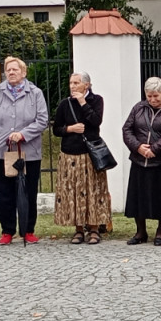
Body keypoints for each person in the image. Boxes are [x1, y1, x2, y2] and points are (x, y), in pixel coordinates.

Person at [0, 56, 49, 245]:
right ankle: (7, 231)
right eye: (8, 70)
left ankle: (28, 230)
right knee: (4, 192)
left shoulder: (35, 93)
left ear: (23, 72)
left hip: (28, 152)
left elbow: (42, 120)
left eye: (15, 69)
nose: (10, 72)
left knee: (28, 191)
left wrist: (23, 134)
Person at [121, 77, 161, 246]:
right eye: (149, 96)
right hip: (139, 159)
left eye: (155, 96)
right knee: (138, 198)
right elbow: (127, 129)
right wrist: (138, 147)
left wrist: (155, 149)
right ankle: (140, 232)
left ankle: (160, 231)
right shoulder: (138, 108)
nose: (152, 99)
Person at [52, 72, 111, 244]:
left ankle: (94, 228)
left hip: (89, 154)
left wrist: (83, 103)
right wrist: (70, 129)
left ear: (87, 85)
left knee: (92, 191)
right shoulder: (65, 104)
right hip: (70, 154)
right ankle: (78, 229)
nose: (72, 86)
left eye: (76, 83)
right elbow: (56, 129)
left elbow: (95, 121)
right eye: (71, 82)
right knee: (73, 192)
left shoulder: (96, 100)